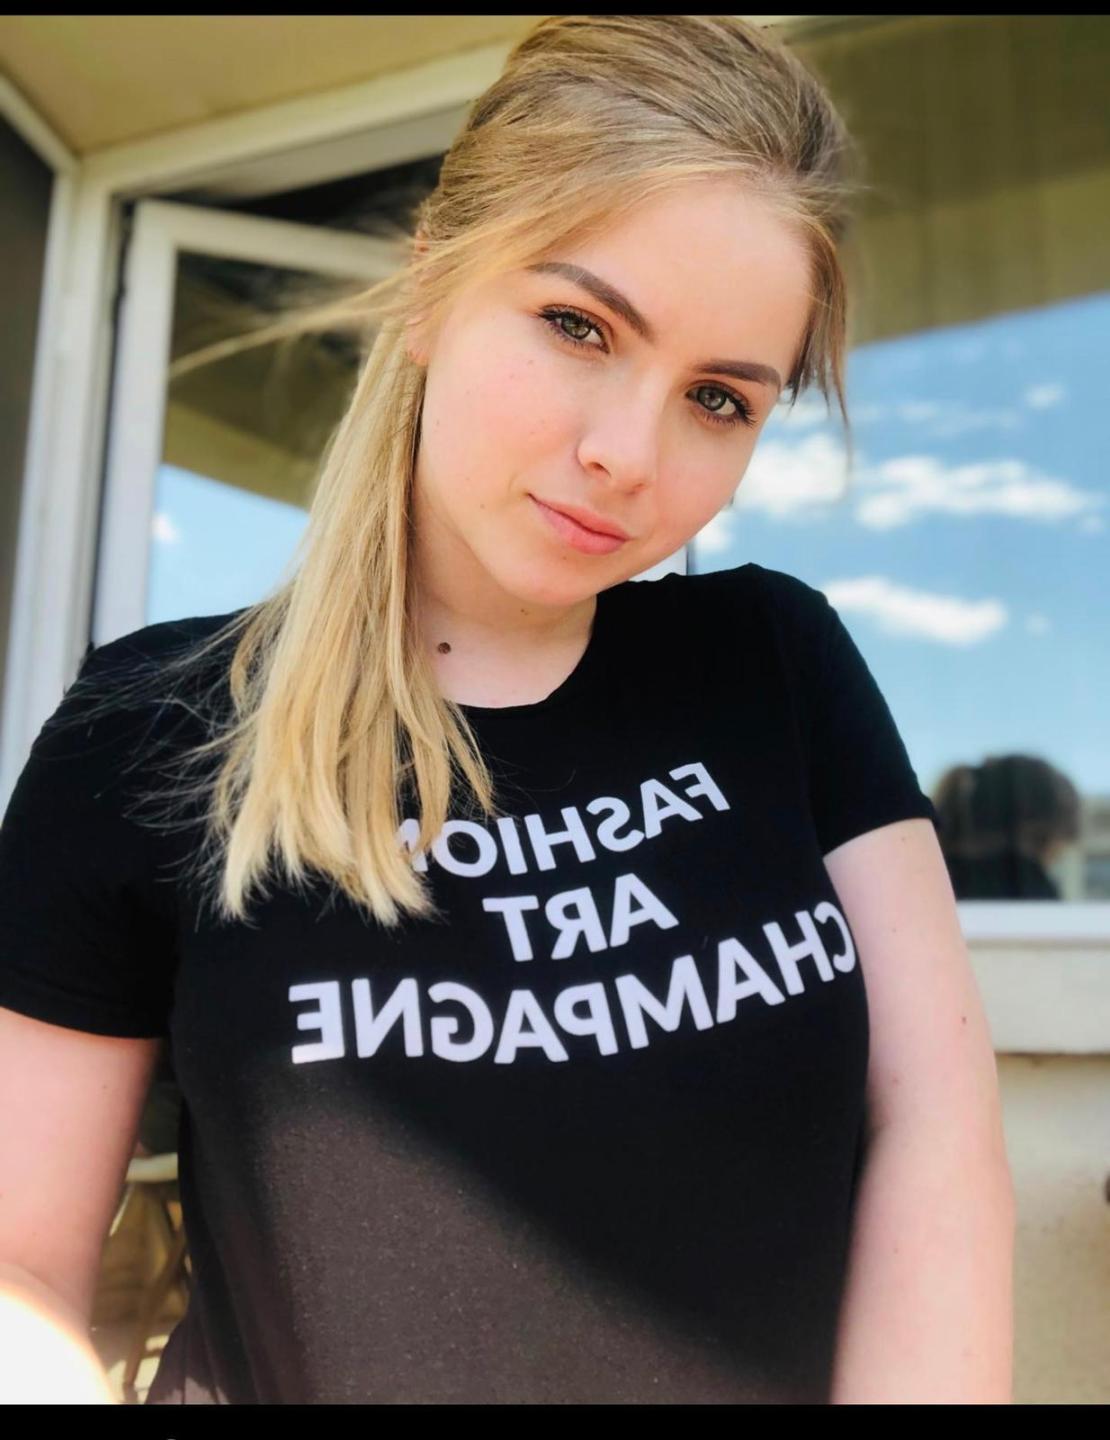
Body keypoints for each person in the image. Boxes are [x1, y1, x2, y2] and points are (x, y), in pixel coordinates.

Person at [0, 15, 1014, 1406]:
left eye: (718, 399)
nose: (627, 455)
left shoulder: (772, 663)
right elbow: (20, 1269)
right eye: (577, 325)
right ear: (432, 287)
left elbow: (936, 1129)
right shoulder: (149, 728)